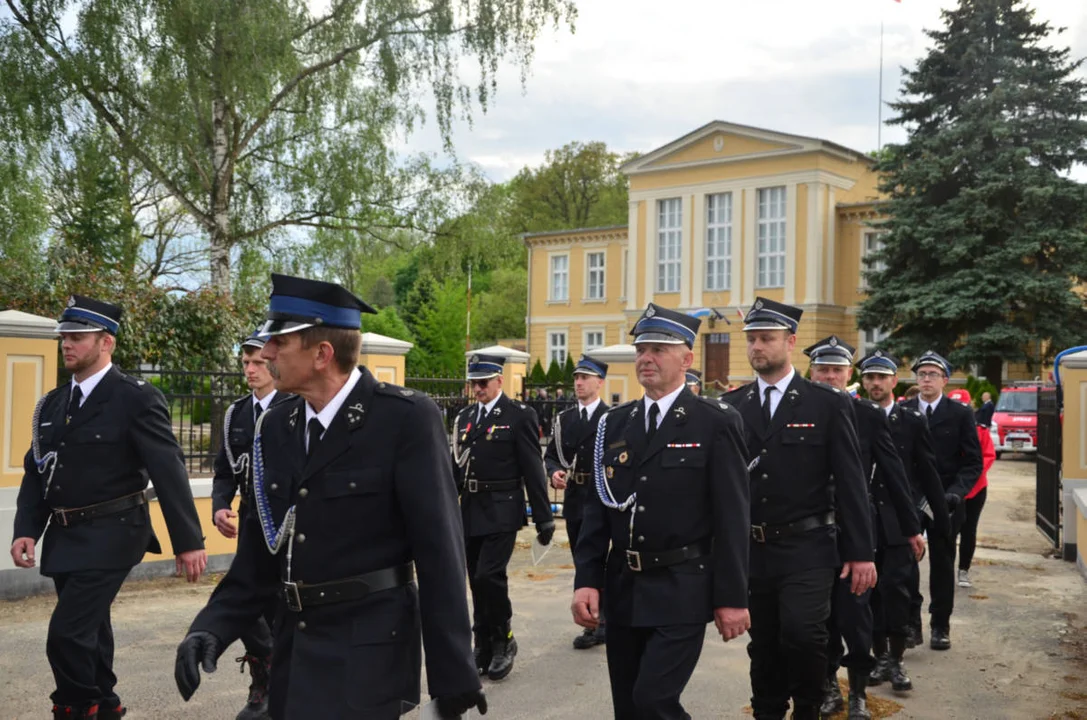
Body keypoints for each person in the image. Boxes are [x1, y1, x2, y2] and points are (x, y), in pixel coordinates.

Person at [175, 274, 485, 719]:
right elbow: (260, 557)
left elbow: (441, 556)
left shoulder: (403, 420)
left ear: (322, 354)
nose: (264, 354)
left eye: (278, 342)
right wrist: (211, 628)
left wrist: (454, 678)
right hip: (294, 650)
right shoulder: (277, 426)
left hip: (368, 656)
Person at [11, 294, 207, 720]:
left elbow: (169, 471)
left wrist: (188, 541)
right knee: (90, 631)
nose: (67, 344)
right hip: (66, 537)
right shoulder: (52, 404)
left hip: (114, 532)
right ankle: (105, 705)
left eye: (77, 336)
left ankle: (76, 707)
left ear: (107, 342)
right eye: (64, 336)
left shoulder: (135, 397)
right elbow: (36, 472)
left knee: (66, 633)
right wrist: (25, 529)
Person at [572, 302, 750, 720]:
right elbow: (599, 511)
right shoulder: (615, 424)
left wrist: (732, 597)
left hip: (682, 586)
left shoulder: (714, 422)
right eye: (641, 349)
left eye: (658, 350)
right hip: (624, 588)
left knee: (654, 700)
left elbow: (732, 517)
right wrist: (587, 580)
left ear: (686, 359)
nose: (646, 358)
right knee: (628, 707)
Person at [723, 298, 875, 720]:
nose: (757, 347)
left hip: (809, 545)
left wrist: (861, 551)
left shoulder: (826, 403)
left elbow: (851, 482)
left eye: (766, 339)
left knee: (805, 635)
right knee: (765, 642)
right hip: (754, 551)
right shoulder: (734, 407)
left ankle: (808, 707)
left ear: (790, 342)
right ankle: (767, 710)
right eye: (751, 339)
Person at [805, 339, 924, 719]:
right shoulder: (798, 412)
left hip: (856, 534)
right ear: (811, 372)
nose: (829, 376)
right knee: (817, 620)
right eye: (822, 369)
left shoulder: (868, 416)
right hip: (808, 536)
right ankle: (827, 688)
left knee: (856, 617)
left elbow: (895, 475)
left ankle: (856, 693)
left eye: (837, 370)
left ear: (848, 375)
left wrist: (911, 529)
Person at [452, 354, 555, 681]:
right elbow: (456, 468)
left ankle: (504, 639)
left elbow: (532, 467)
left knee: (488, 575)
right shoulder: (465, 416)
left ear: (499, 380)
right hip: (470, 507)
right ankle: (481, 642)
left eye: (484, 382)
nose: (478, 388)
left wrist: (544, 517)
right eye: (474, 383)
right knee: (475, 578)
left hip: (502, 508)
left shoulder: (518, 415)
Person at [209, 329, 292, 720]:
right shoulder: (236, 414)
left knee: (282, 604)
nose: (250, 369)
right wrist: (220, 506)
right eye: (245, 362)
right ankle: (263, 679)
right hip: (250, 522)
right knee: (246, 604)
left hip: (289, 524)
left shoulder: (295, 407)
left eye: (258, 362)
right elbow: (225, 469)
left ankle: (287, 684)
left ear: (275, 362)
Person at [857, 351, 950, 690]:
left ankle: (895, 661)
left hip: (900, 521)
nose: (876, 383)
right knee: (868, 596)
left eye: (882, 377)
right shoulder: (855, 416)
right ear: (864, 381)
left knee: (897, 592)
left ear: (895, 381)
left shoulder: (911, 420)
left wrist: (940, 520)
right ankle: (877, 657)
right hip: (864, 523)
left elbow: (926, 471)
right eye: (870, 377)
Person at [901, 351, 983, 650]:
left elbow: (973, 461)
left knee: (942, 562)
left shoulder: (960, 414)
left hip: (945, 501)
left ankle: (940, 624)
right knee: (905, 562)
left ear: (945, 380)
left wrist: (956, 493)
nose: (926, 379)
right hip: (910, 499)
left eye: (932, 374)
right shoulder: (904, 410)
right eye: (921, 374)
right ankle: (911, 622)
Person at [545, 354, 610, 650]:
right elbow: (551, 456)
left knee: (603, 559)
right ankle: (591, 618)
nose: (579, 383)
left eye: (585, 378)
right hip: (575, 497)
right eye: (576, 378)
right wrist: (554, 472)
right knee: (581, 558)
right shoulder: (565, 419)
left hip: (601, 496)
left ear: (600, 382)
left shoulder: (611, 419)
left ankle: (603, 619)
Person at [947, 389, 996, 589]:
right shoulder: (943, 430)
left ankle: (964, 570)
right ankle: (946, 569)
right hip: (951, 490)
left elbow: (987, 455)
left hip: (976, 489)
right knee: (949, 531)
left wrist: (970, 475)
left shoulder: (980, 430)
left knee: (969, 530)